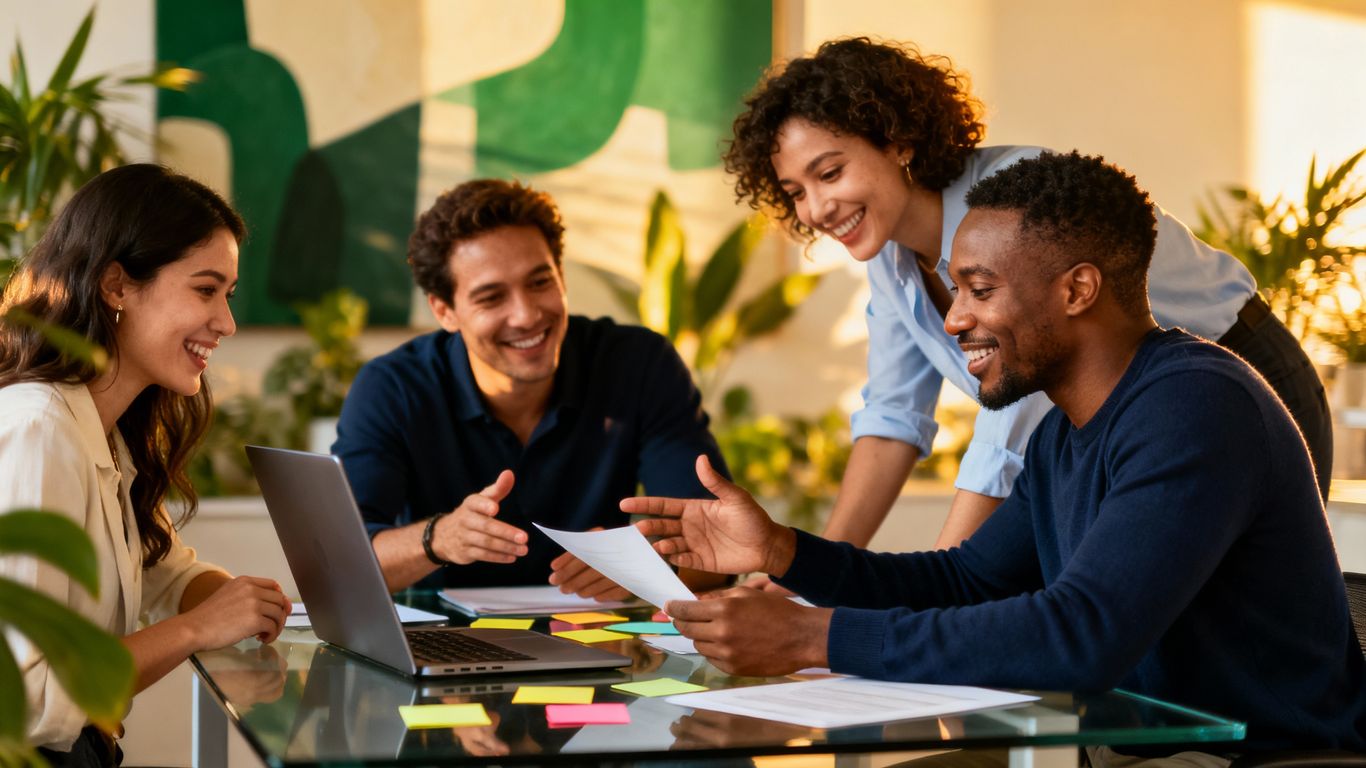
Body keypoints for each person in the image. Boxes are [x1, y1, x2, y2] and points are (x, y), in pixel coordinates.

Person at [625, 152, 1366, 762]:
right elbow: (965, 580)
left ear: (1078, 290)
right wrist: (786, 553)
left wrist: (811, 635)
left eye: (979, 289)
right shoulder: (1064, 431)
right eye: (955, 289)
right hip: (1152, 753)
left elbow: (1080, 635)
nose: (953, 318)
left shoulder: (1196, 406)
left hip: (1259, 759)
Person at [722, 37, 1333, 560]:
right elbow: (892, 420)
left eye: (830, 174)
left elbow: (1009, 430)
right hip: (1117, 419)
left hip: (1242, 382)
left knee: (1199, 631)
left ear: (897, 140)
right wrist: (807, 581)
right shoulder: (890, 256)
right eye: (795, 191)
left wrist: (936, 592)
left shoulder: (1016, 205)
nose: (816, 208)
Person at [0, 165, 291, 765]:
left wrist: (235, 600)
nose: (227, 323)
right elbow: (27, 694)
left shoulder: (104, 433)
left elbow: (159, 570)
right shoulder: (40, 429)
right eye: (205, 290)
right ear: (116, 286)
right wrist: (199, 628)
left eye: (227, 296)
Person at [332, 179, 729, 596]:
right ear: (445, 310)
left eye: (540, 282)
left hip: (599, 642)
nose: (525, 315)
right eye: (491, 298)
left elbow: (719, 549)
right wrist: (439, 538)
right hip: (443, 643)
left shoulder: (638, 363)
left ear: (561, 277)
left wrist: (645, 569)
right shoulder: (392, 387)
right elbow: (341, 566)